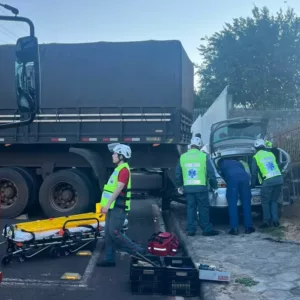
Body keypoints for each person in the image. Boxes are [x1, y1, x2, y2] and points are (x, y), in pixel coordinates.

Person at [97, 143, 145, 267]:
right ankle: (109, 258)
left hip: (118, 207)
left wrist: (107, 205)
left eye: (115, 154)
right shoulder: (118, 169)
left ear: (121, 156)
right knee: (108, 234)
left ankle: (138, 252)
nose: (113, 155)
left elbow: (119, 188)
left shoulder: (123, 170)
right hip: (113, 207)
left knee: (115, 233)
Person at [176, 136, 219, 237]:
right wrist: (214, 187)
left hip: (188, 188)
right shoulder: (203, 156)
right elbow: (211, 174)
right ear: (200, 146)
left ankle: (191, 230)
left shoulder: (183, 157)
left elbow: (178, 173)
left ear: (190, 145)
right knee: (203, 208)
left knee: (190, 208)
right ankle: (206, 229)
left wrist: (179, 185)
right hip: (201, 188)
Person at [217, 157, 255, 235]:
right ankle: (248, 228)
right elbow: (244, 171)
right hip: (244, 178)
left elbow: (221, 175)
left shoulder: (221, 164)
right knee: (246, 203)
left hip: (232, 179)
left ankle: (234, 229)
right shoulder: (238, 163)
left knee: (232, 204)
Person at [251, 139, 283, 228]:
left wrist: (252, 184)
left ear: (255, 148)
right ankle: (276, 221)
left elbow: (254, 173)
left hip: (268, 181)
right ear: (264, 146)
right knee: (274, 201)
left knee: (265, 202)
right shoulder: (270, 154)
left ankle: (266, 222)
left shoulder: (256, 157)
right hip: (279, 179)